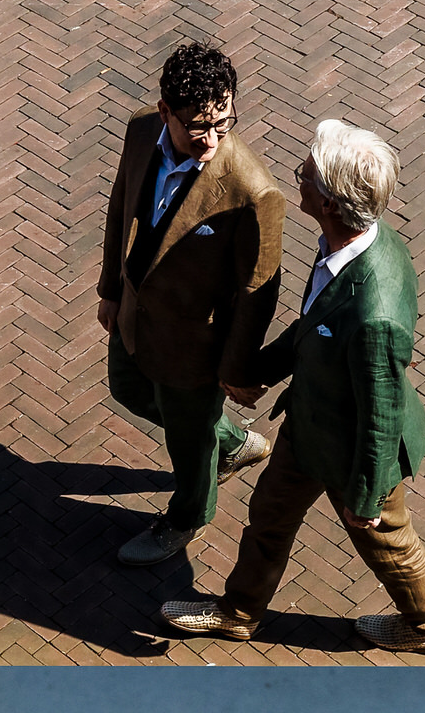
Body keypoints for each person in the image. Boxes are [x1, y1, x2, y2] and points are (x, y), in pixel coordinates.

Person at [159, 120, 425, 654]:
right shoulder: (349, 244)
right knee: (269, 514)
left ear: (332, 203)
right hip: (309, 426)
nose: (298, 177)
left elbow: (381, 411)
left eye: (308, 175)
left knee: (384, 539)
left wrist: (366, 494)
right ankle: (239, 612)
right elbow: (313, 326)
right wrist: (253, 370)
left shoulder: (375, 315)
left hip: (353, 451)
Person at [97, 42, 284, 566]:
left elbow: (258, 289)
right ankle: (228, 440)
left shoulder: (253, 192)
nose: (211, 140)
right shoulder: (140, 132)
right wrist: (111, 289)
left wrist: (234, 368)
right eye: (198, 125)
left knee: (187, 438)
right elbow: (120, 209)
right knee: (128, 389)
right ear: (164, 112)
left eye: (224, 123)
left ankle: (187, 516)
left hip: (194, 347)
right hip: (135, 315)